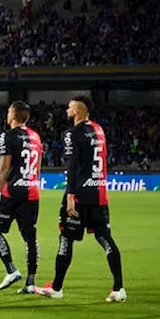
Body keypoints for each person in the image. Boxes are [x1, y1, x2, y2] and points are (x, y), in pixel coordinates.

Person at [35, 96, 126, 302]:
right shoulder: (99, 131)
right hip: (99, 193)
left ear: (77, 110)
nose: (67, 109)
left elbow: (73, 165)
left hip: (80, 194)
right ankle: (119, 288)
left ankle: (56, 287)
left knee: (66, 239)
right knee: (105, 239)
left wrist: (70, 195)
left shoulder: (71, 134)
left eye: (69, 107)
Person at [0, 101, 44, 293]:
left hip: (12, 191)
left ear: (13, 115)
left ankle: (11, 270)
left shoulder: (8, 136)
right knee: (30, 236)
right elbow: (38, 167)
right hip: (32, 190)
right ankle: (31, 282)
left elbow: (4, 168)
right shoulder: (35, 136)